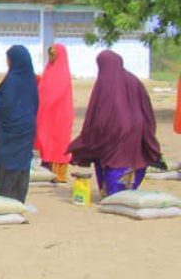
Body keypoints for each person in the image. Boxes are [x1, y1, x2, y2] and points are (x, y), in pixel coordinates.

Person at [67, 50, 162, 198]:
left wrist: (91, 136)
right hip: (137, 130)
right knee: (132, 158)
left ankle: (114, 195)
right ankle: (127, 193)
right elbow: (147, 109)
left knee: (111, 161)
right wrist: (146, 130)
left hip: (112, 131)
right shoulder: (134, 80)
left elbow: (96, 115)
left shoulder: (104, 82)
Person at [0, 45, 39, 202]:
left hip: (8, 135)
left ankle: (3, 199)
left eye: (8, 59)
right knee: (21, 166)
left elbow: (4, 107)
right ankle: (17, 200)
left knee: (5, 165)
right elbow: (35, 105)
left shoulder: (11, 81)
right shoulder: (31, 82)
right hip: (26, 131)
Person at [35, 43, 74, 183]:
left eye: (53, 55)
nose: (50, 58)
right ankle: (46, 169)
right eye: (49, 55)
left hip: (59, 115)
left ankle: (58, 174)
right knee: (45, 140)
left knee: (58, 143)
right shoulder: (49, 70)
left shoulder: (62, 73)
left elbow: (56, 94)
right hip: (46, 114)